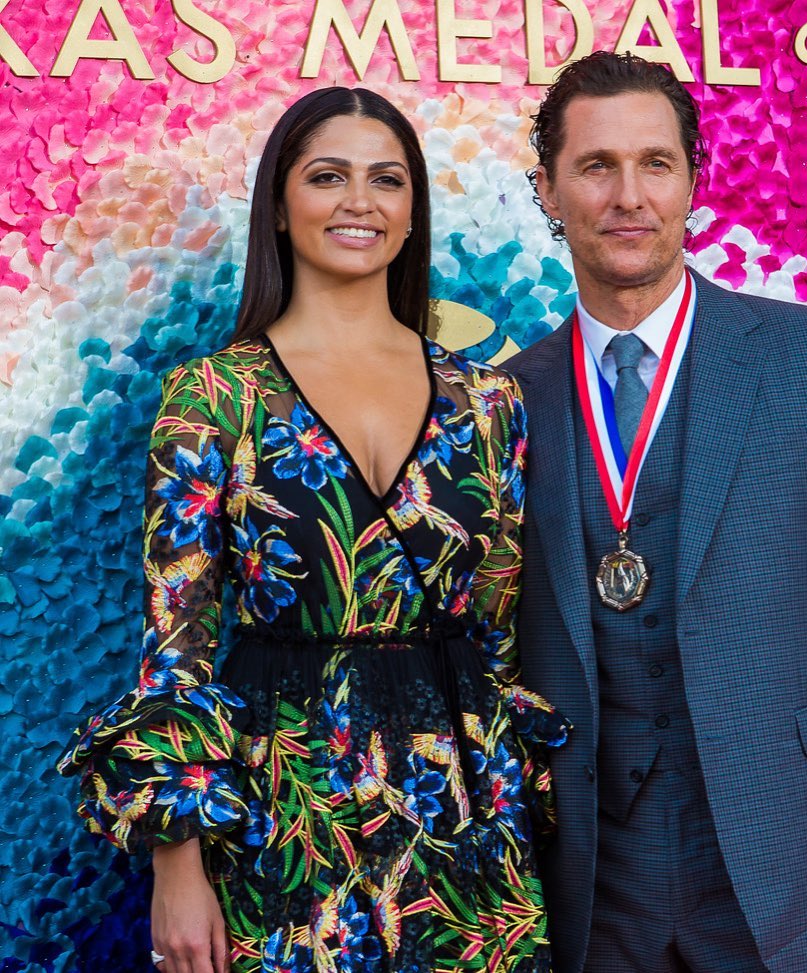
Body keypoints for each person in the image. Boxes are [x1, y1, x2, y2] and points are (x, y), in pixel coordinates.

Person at [57, 86, 567, 973]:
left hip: (460, 828)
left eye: (387, 180)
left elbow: (496, 638)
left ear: (413, 213)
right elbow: (176, 644)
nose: (358, 202)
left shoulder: (491, 405)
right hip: (278, 819)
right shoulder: (214, 398)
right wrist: (179, 864)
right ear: (281, 208)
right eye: (327, 176)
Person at [505, 52, 807, 973]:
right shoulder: (502, 399)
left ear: (693, 181)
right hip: (584, 871)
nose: (629, 195)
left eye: (655, 163)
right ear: (547, 188)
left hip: (788, 851)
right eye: (595, 166)